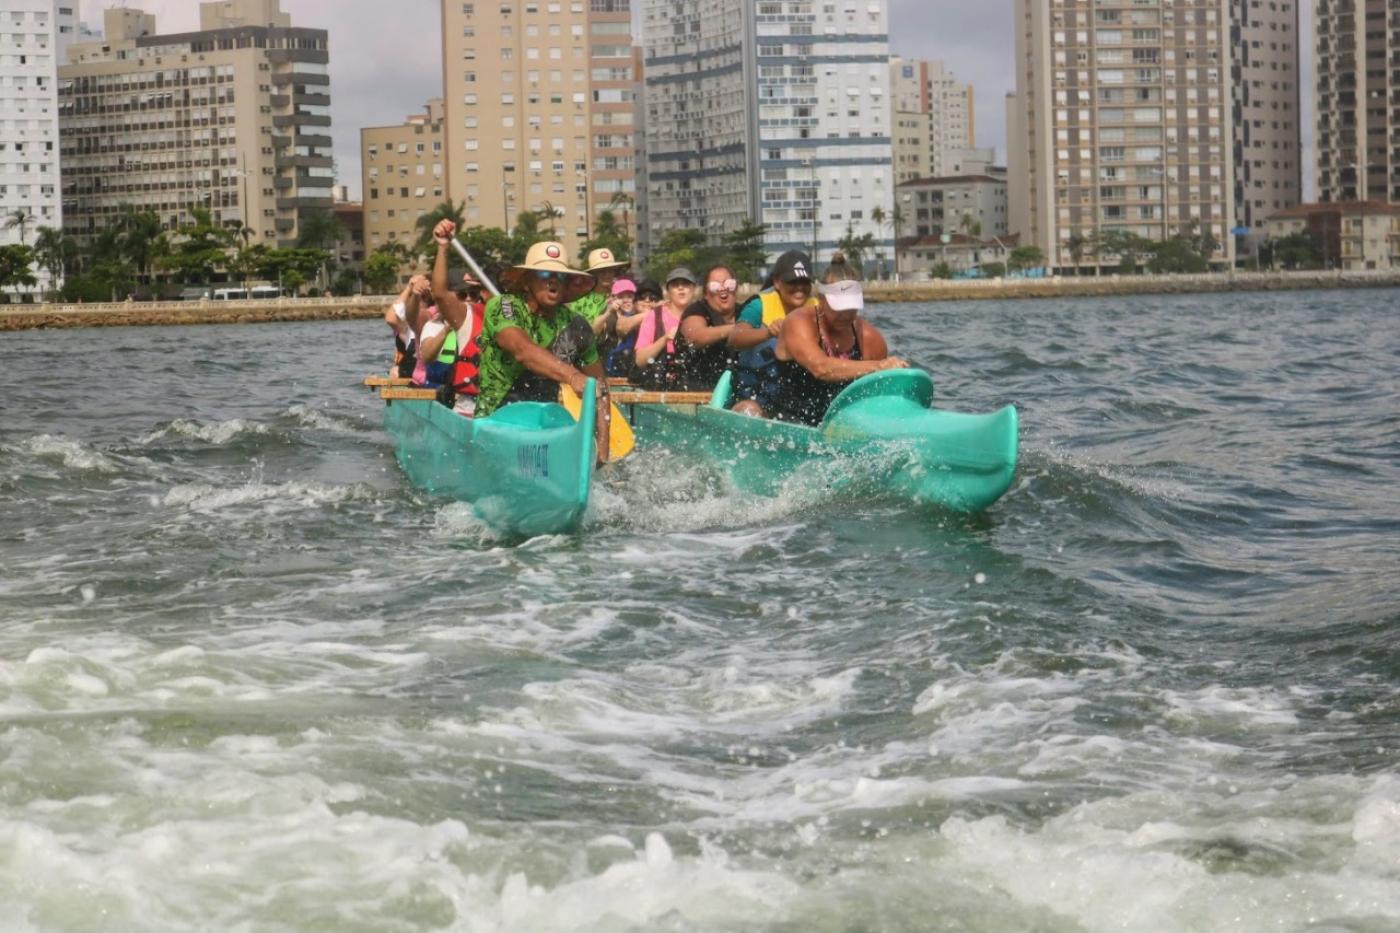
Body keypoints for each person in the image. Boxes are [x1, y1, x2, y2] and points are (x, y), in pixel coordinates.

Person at [433, 220, 610, 458]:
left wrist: (603, 449)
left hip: (542, 424)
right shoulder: (503, 306)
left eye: (559, 275)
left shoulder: (576, 325)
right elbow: (522, 350)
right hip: (495, 423)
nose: (553, 281)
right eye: (545, 274)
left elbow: (600, 385)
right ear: (527, 281)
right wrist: (572, 375)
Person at [768, 252, 909, 426]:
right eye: (839, 307)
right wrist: (880, 366)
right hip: (789, 423)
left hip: (841, 427)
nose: (846, 315)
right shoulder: (799, 322)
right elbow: (821, 368)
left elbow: (877, 397)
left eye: (852, 308)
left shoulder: (870, 338)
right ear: (821, 300)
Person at [726, 250, 817, 416]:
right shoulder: (758, 305)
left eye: (804, 281)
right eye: (792, 281)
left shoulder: (818, 309)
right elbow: (735, 337)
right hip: (756, 397)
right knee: (749, 410)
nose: (799, 287)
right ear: (777, 282)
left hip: (799, 400)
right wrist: (768, 333)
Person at [426, 255, 488, 416]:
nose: (468, 299)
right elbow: (426, 357)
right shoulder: (433, 324)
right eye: (461, 295)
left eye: (474, 294)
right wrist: (447, 329)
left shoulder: (490, 320)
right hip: (444, 391)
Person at [674, 264, 740, 390]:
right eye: (715, 286)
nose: (722, 289)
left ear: (735, 288)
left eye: (728, 284)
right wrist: (737, 328)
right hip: (694, 389)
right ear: (706, 293)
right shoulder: (696, 310)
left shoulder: (746, 311)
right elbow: (694, 337)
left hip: (733, 389)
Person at [630, 267, 695, 389]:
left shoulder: (701, 315)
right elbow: (640, 360)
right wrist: (664, 339)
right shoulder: (654, 316)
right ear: (668, 291)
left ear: (693, 289)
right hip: (659, 388)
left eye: (685, 284)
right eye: (675, 285)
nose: (681, 288)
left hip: (692, 386)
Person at [569, 247, 630, 336]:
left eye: (610, 270)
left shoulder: (622, 295)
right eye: (602, 271)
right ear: (593, 274)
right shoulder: (581, 300)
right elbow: (582, 331)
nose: (607, 274)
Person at [607, 279, 656, 376]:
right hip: (617, 371)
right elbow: (622, 327)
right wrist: (654, 312)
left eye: (629, 296)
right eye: (621, 297)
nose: (647, 300)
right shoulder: (613, 316)